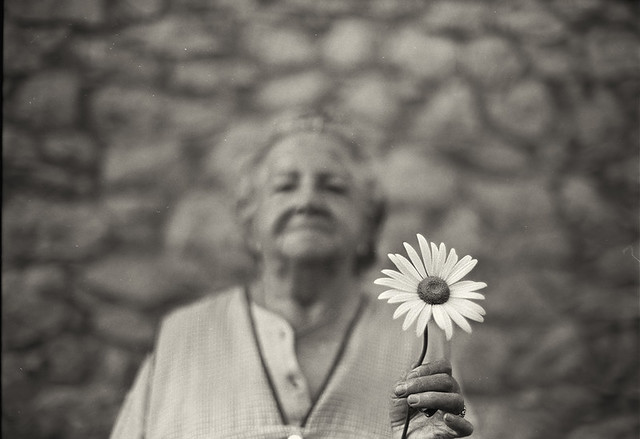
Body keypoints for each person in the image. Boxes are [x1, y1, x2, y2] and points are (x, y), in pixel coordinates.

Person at [110, 112, 475, 438]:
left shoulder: (417, 341)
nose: (307, 202)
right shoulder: (184, 335)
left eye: (333, 187)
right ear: (250, 220)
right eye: (285, 186)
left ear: (369, 223)